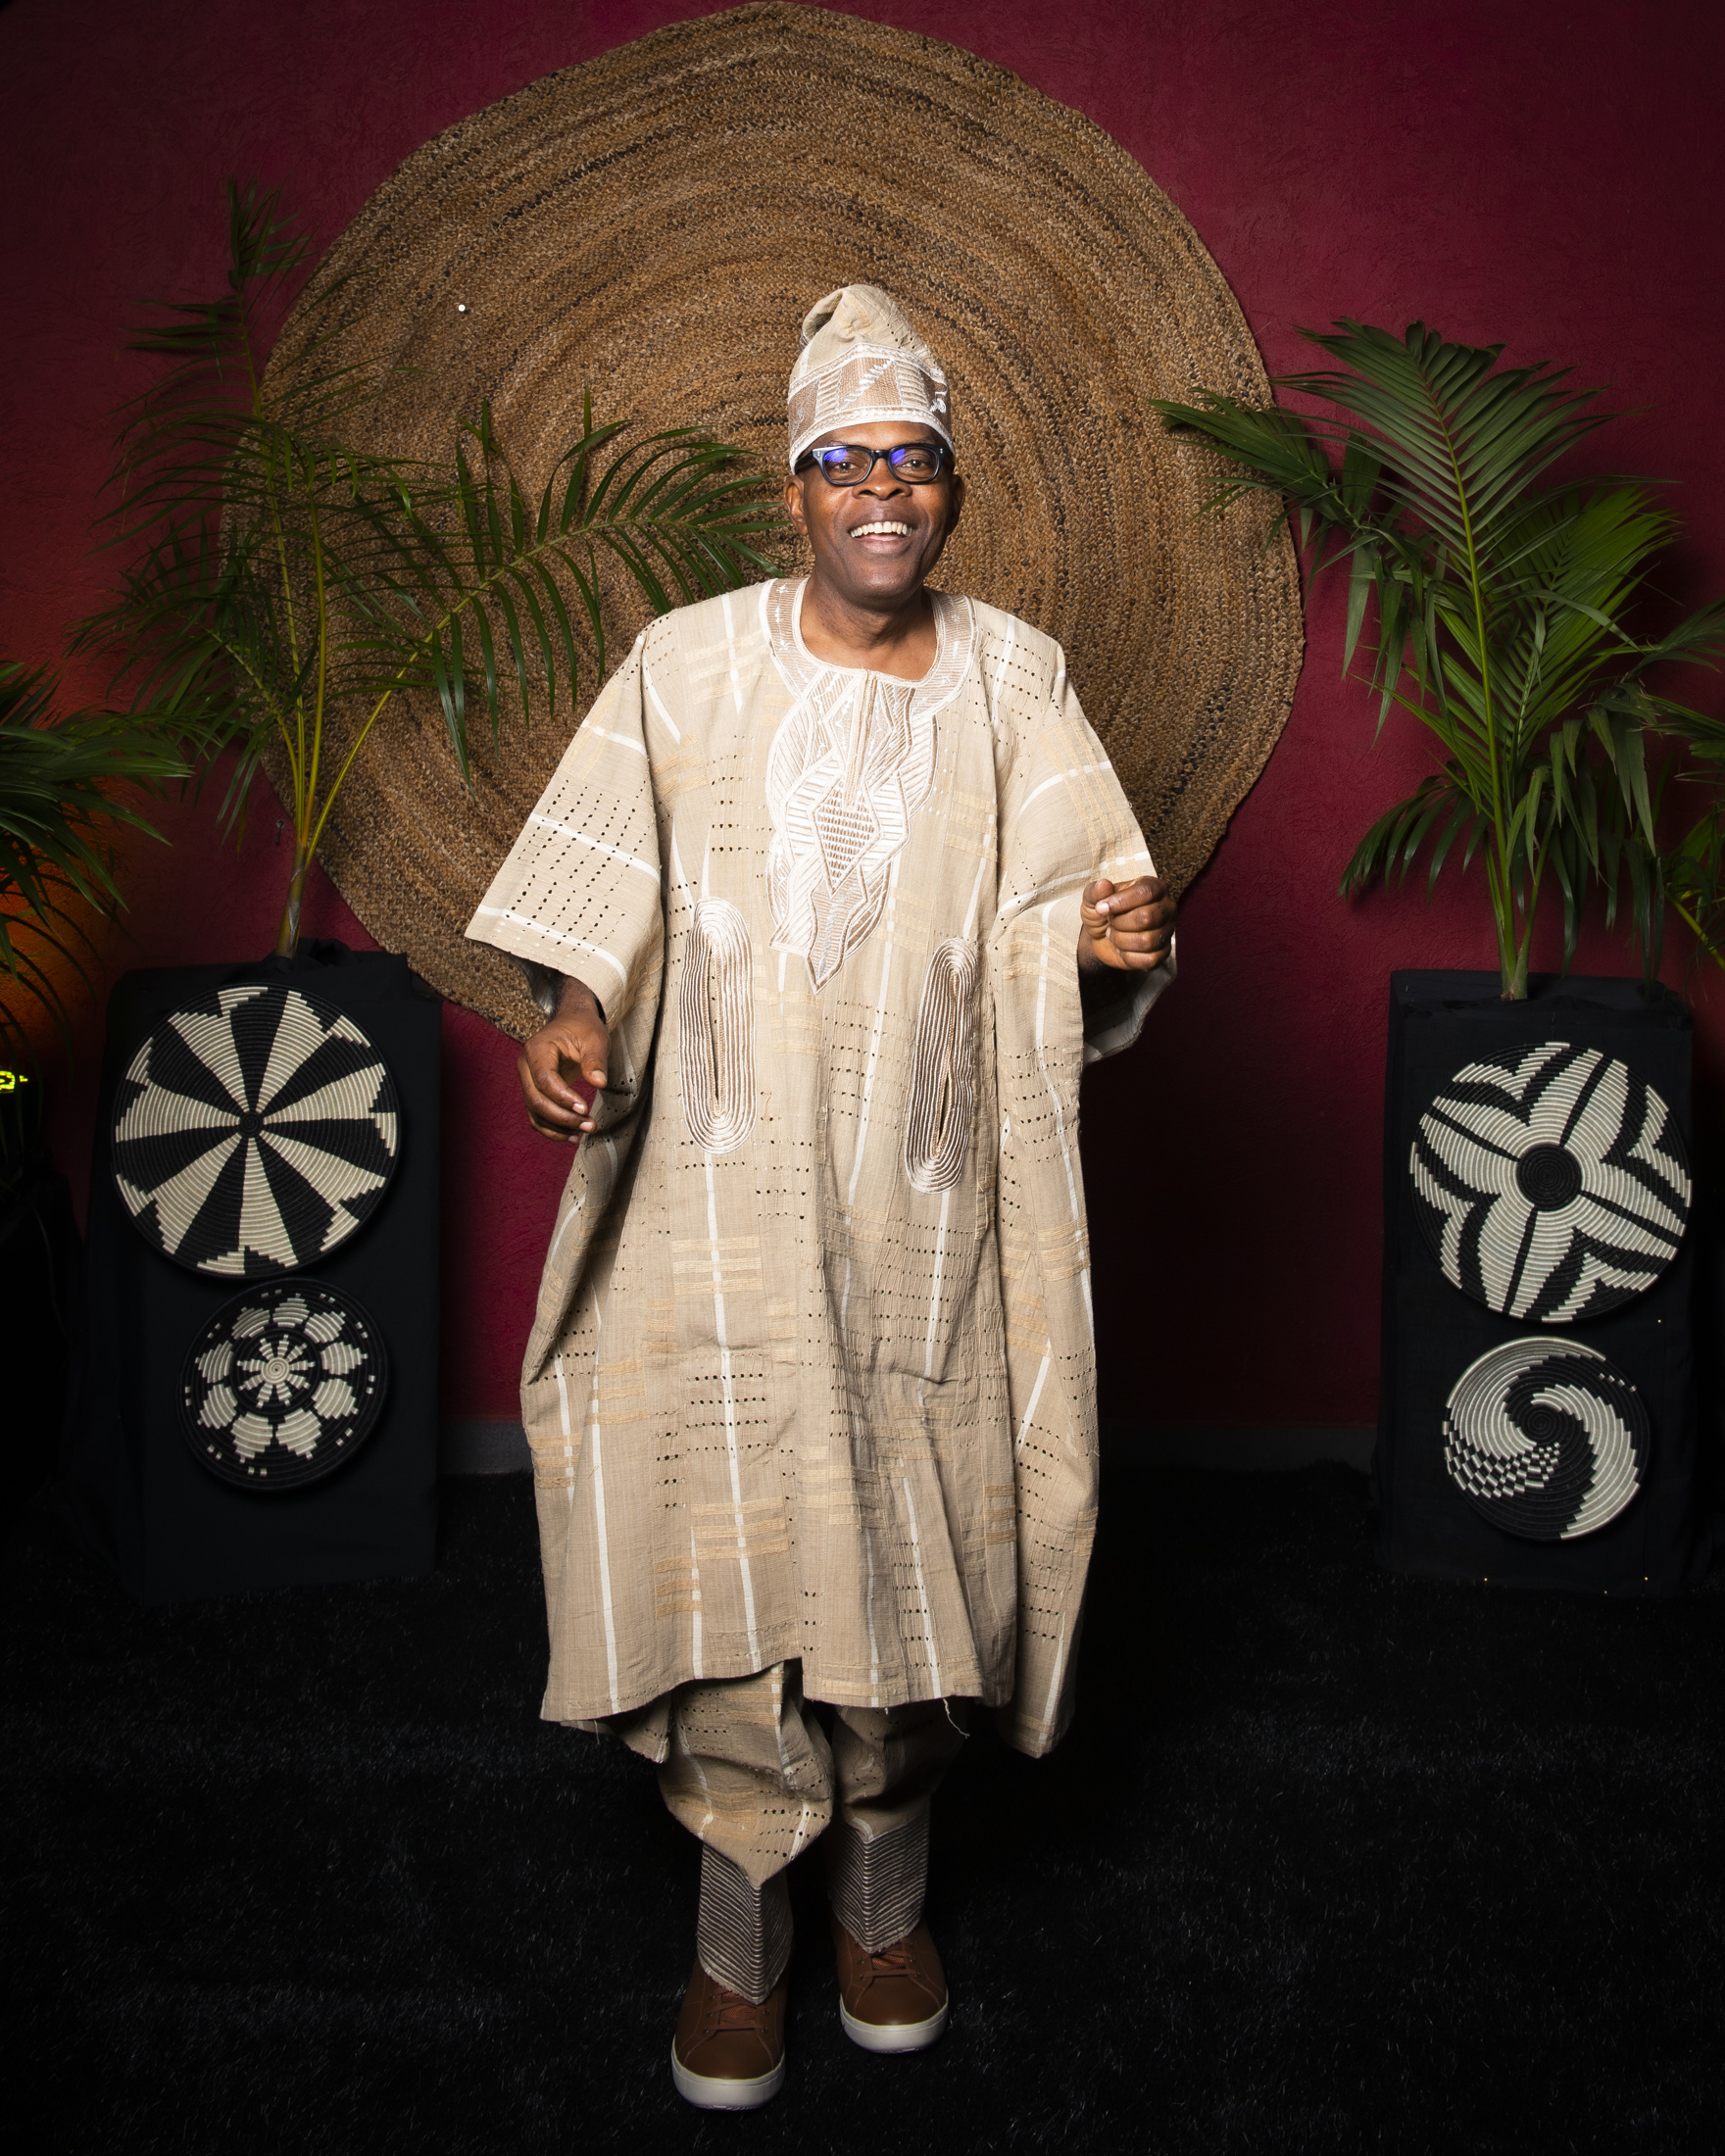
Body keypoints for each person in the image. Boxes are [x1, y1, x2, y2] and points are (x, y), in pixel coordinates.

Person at [467, 285, 1175, 2110]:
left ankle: (883, 1905)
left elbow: (1084, 901)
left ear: (954, 492)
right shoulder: (685, 663)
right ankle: (735, 1945)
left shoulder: (1018, 677)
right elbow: (601, 879)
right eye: (844, 461)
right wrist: (574, 1008)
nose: (881, 491)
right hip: (712, 1200)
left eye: (912, 460)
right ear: (791, 490)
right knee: (726, 1529)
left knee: (915, 1536)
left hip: (927, 1207)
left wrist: (1100, 944)